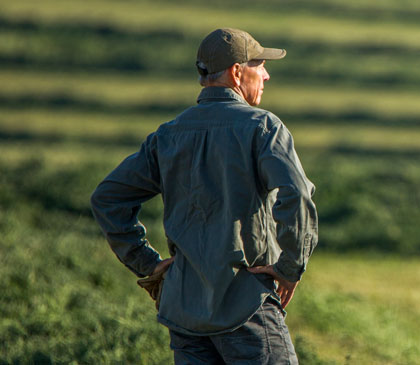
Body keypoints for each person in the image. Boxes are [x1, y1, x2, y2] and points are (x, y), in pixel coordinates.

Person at [90, 28, 318, 363]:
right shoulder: (263, 127)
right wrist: (289, 267)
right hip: (246, 306)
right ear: (237, 72)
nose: (267, 74)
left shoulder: (168, 134)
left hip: (184, 314)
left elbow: (107, 198)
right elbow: (296, 194)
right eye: (259, 64)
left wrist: (150, 265)